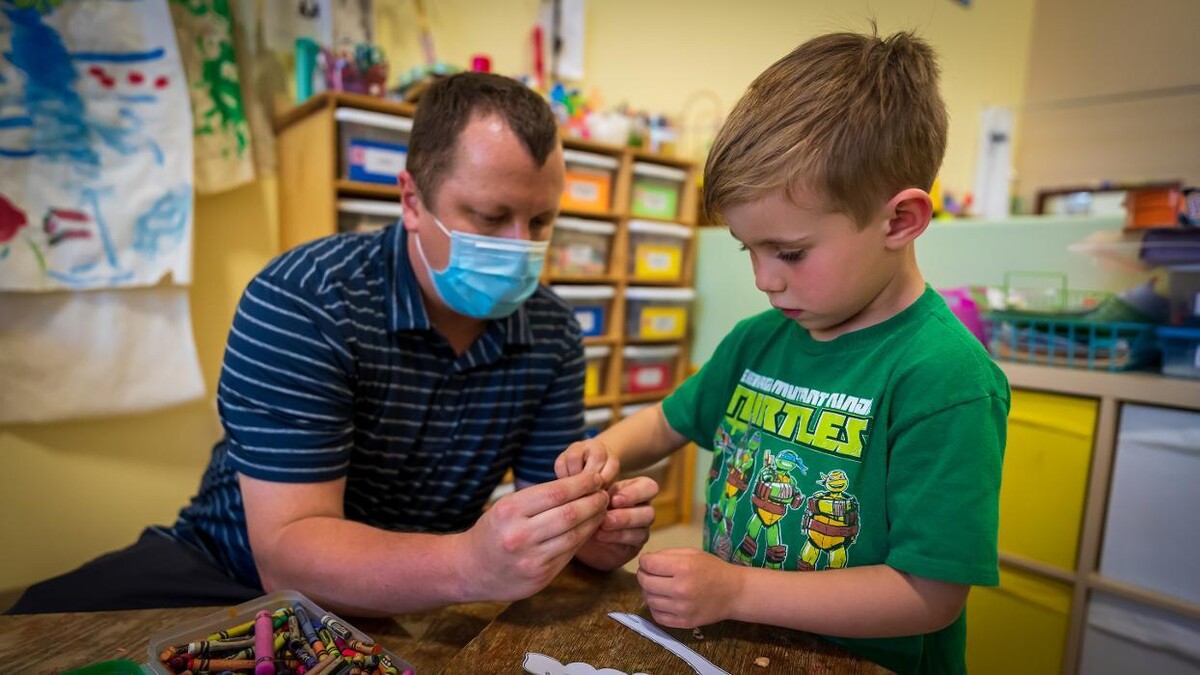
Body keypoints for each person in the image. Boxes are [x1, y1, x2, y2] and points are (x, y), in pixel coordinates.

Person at [10, 72, 656, 615]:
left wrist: (591, 529)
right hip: (227, 572)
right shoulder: (305, 298)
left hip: (412, 592)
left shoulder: (553, 333)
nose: (521, 248)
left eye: (541, 220)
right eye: (490, 218)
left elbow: (549, 506)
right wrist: (470, 563)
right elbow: (287, 549)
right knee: (33, 626)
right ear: (410, 199)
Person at [555, 30, 1008, 675]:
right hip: (741, 647)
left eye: (790, 253)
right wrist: (607, 454)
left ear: (901, 220)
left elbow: (928, 595)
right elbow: (667, 421)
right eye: (749, 250)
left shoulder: (944, 378)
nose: (765, 279)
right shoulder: (758, 339)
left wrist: (736, 588)